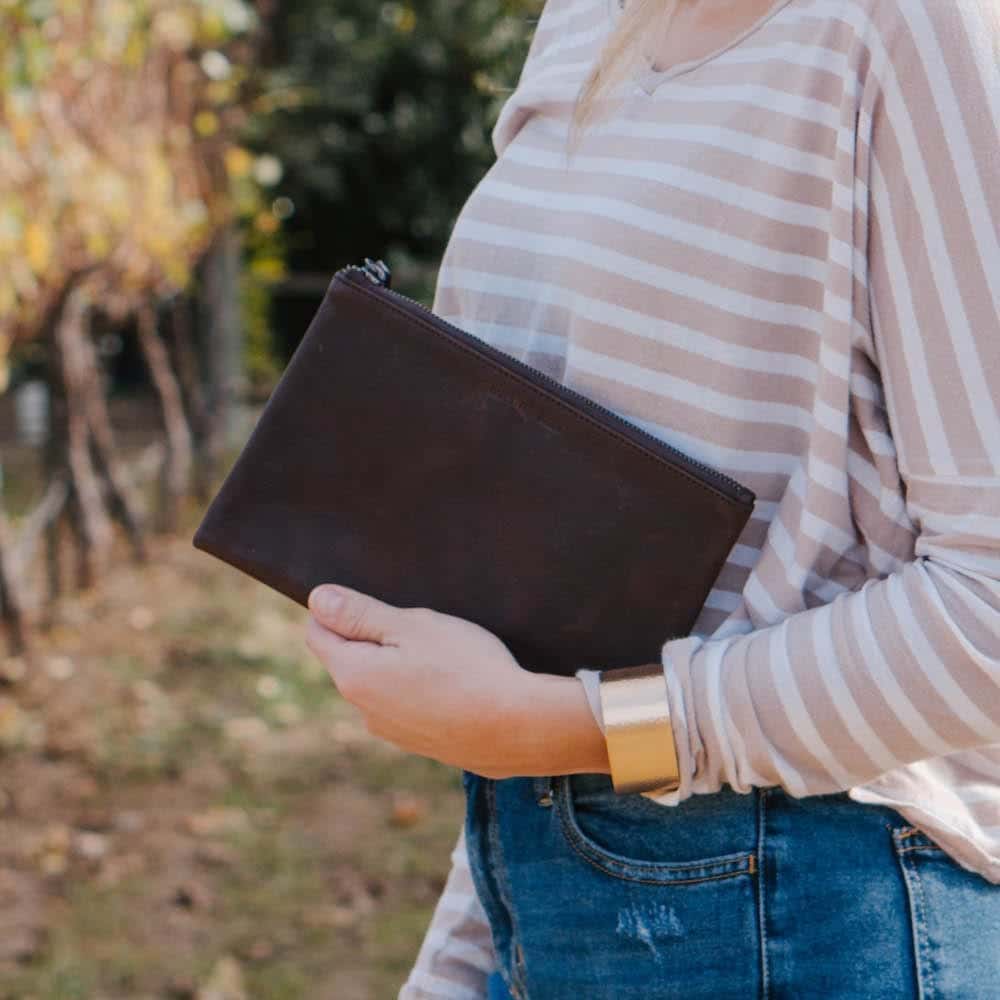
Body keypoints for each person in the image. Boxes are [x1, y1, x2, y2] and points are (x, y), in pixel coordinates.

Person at [301, 0, 1000, 995]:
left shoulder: (909, 27)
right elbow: (551, 639)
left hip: (812, 906)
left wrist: (580, 727)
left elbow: (990, 610)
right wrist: (463, 957)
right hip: (551, 876)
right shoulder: (586, 19)